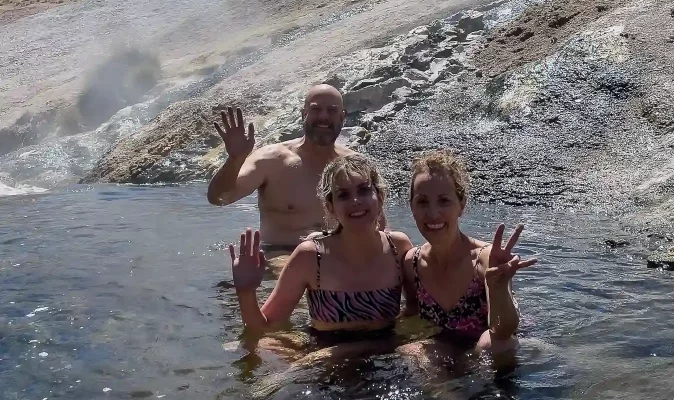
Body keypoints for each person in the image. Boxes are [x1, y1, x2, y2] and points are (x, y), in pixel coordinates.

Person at [228, 154, 413, 352]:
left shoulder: (398, 248)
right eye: (343, 195)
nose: (356, 201)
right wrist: (245, 290)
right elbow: (264, 328)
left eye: (364, 190)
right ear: (330, 207)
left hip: (384, 353)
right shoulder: (310, 256)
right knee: (264, 348)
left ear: (380, 196)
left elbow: (417, 313)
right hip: (326, 362)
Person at [404, 150, 536, 357]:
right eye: (422, 202)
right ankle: (446, 391)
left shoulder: (486, 259)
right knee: (412, 351)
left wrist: (498, 288)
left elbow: (503, 331)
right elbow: (411, 317)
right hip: (447, 352)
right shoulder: (411, 263)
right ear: (411, 207)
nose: (433, 213)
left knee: (492, 345)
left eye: (444, 201)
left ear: (461, 205)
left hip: (493, 357)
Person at [207, 84, 353, 259]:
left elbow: (379, 225)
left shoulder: (353, 165)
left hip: (338, 261)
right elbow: (220, 198)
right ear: (303, 114)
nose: (323, 116)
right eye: (316, 109)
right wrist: (234, 160)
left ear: (342, 116)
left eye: (332, 110)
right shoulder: (271, 160)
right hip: (280, 261)